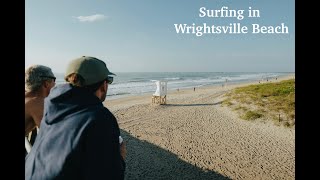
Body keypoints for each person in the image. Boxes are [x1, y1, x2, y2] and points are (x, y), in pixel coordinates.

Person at [25, 56, 126, 180]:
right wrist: (120, 157)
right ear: (103, 85)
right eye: (109, 80)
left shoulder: (51, 106)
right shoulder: (100, 117)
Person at [25, 65, 56, 151]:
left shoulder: (28, 98)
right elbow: (52, 136)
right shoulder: (37, 103)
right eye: (54, 80)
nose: (55, 84)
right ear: (46, 84)